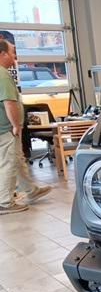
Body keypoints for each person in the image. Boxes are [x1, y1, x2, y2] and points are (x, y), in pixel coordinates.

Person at [0, 40, 52, 215]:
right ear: (2, 54)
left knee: (17, 160)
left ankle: (31, 190)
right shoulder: (2, 74)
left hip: (3, 129)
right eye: (12, 52)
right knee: (9, 163)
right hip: (6, 129)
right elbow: (9, 103)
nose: (15, 57)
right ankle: (5, 203)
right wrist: (16, 125)